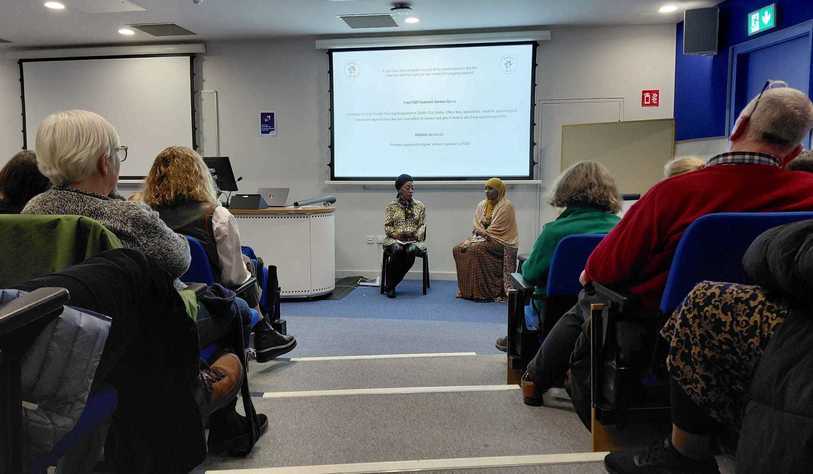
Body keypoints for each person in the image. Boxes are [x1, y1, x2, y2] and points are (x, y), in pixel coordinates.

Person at [521, 85, 813, 408]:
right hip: (784, 335)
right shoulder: (807, 192)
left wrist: (589, 274)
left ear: (739, 127)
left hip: (662, 333)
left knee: (590, 293)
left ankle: (535, 379)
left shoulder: (672, 193)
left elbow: (603, 268)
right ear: (795, 152)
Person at [605, 220, 813, 473]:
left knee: (705, 303)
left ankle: (685, 453)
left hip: (650, 320)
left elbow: (603, 267)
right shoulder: (801, 196)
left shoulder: (667, 201)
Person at [142, 145, 296, 361]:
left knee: (247, 257)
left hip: (157, 298)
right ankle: (264, 333)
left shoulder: (144, 214)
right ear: (199, 175)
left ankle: (264, 332)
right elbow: (234, 278)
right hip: (210, 300)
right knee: (249, 267)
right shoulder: (217, 215)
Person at [23, 110, 191, 280]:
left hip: (51, 297)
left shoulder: (33, 209)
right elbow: (180, 259)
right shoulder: (128, 217)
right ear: (105, 163)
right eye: (118, 152)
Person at [495, 161, 621, 352]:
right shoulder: (622, 229)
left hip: (555, 314)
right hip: (609, 316)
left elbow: (530, 275)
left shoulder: (554, 232)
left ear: (566, 190)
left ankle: (516, 344)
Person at [453, 177, 518, 301]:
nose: (487, 191)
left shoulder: (506, 206)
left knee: (476, 250)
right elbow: (477, 225)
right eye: (485, 188)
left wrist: (482, 233)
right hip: (482, 238)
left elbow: (497, 230)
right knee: (458, 249)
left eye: (490, 189)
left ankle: (483, 293)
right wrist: (480, 233)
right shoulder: (482, 205)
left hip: (502, 242)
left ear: (499, 191)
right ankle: (467, 291)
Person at [382, 174, 426, 298]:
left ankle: (390, 285)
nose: (411, 190)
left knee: (410, 250)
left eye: (412, 188)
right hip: (395, 239)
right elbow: (387, 226)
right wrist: (396, 235)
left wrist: (416, 236)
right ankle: (391, 286)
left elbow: (422, 226)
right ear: (399, 189)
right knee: (397, 249)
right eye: (408, 188)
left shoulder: (420, 206)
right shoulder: (391, 206)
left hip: (413, 240)